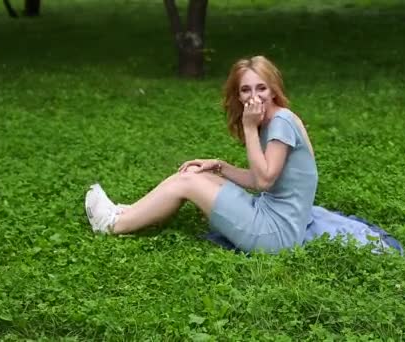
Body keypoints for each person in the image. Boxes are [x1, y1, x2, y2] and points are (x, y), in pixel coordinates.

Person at [84, 55, 318, 253]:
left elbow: (264, 181)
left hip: (276, 235)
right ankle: (129, 211)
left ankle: (113, 224)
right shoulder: (273, 120)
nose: (254, 96)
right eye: (246, 90)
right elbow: (259, 179)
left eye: (261, 88)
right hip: (271, 217)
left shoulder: (280, 123)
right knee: (194, 173)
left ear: (274, 90)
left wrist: (249, 128)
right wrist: (218, 166)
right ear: (238, 96)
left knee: (187, 183)